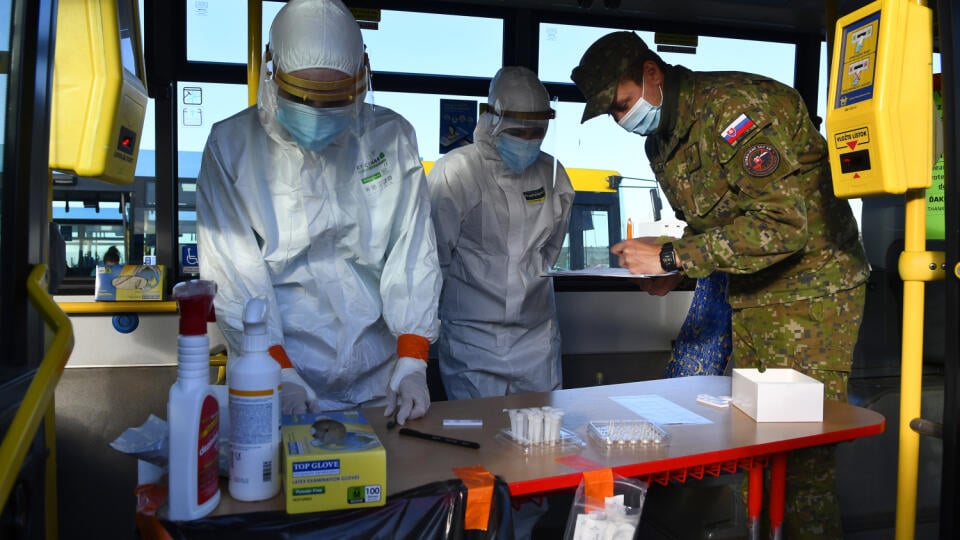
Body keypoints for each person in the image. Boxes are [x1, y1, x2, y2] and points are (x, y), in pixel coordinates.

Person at [571, 31, 870, 539]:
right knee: (757, 457)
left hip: (812, 295)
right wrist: (674, 271)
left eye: (623, 104)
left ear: (651, 73)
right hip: (752, 296)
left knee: (800, 467)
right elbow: (714, 227)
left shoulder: (734, 108)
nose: (623, 119)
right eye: (612, 114)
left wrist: (671, 253)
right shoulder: (661, 143)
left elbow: (783, 224)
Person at [196, 0, 441, 426]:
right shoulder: (231, 148)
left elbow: (413, 252)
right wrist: (279, 371)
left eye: (335, 99)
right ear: (272, 75)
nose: (319, 113)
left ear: (362, 77)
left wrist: (413, 360)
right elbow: (236, 277)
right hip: (274, 371)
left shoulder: (390, 138)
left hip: (379, 378)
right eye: (303, 97)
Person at [427, 66, 574, 401]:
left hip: (536, 338)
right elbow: (434, 258)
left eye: (537, 132)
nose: (529, 140)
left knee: (540, 439)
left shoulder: (553, 176)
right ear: (492, 118)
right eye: (519, 131)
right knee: (483, 440)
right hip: (472, 340)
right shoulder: (457, 172)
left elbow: (549, 251)